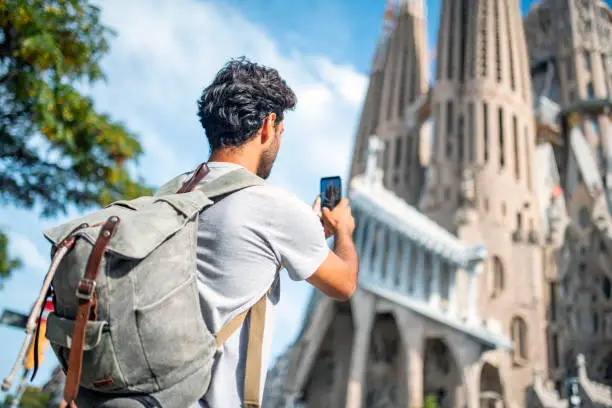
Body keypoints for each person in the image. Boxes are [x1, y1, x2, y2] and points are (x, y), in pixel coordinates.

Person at [188, 57, 359, 407]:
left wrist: (307, 230)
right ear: (268, 127)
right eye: (281, 132)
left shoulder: (175, 194)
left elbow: (239, 258)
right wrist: (343, 232)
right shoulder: (273, 206)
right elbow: (344, 283)